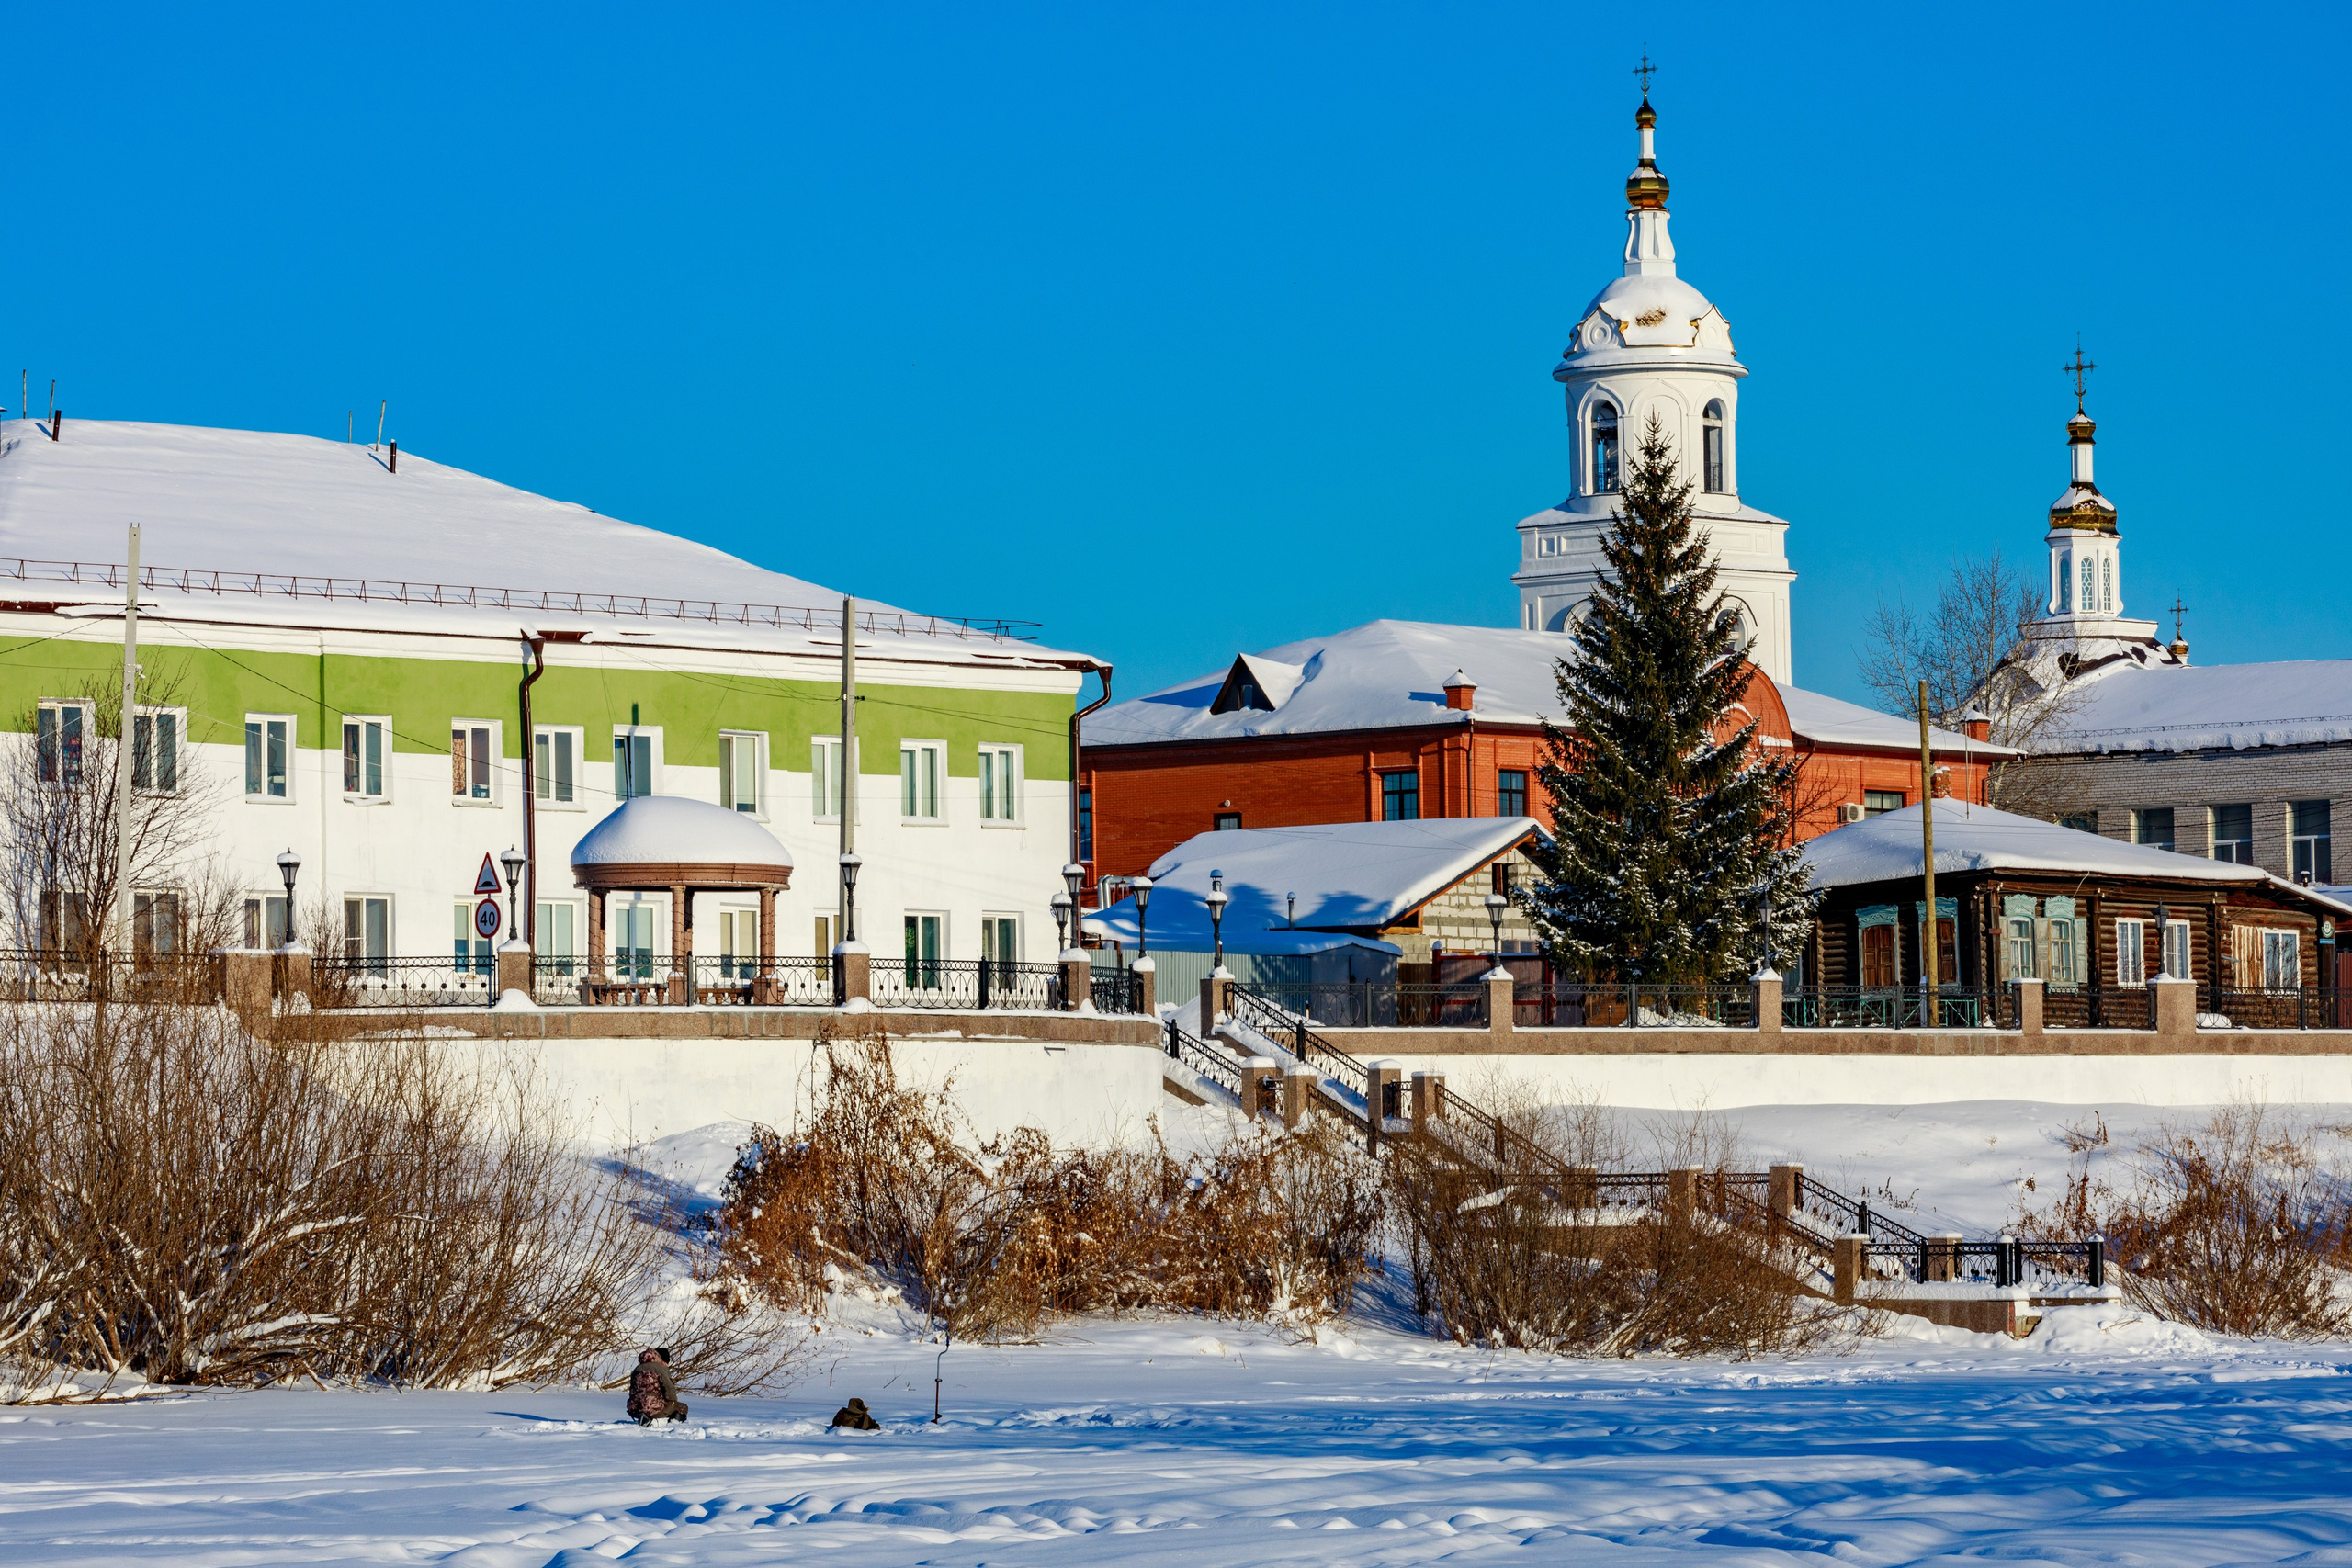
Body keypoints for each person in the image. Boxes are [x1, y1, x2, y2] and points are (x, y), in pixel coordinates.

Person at [627, 1347, 687, 1426]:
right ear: (661, 1359)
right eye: (666, 1362)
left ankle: (645, 1418)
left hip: (633, 1407)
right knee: (682, 1407)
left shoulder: (637, 1369)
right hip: (651, 1407)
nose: (666, 1365)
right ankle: (672, 1426)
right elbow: (669, 1390)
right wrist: (672, 1401)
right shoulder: (660, 1368)